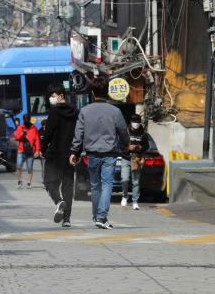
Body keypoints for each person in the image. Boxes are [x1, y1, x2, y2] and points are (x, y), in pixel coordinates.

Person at [70, 76, 129, 229]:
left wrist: (74, 152)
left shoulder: (84, 111)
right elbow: (123, 132)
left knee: (95, 186)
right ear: (108, 92)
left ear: (93, 93)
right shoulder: (115, 111)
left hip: (92, 154)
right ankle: (102, 217)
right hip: (109, 153)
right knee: (107, 183)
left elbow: (79, 134)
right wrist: (125, 146)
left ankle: (97, 216)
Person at [42, 84, 78, 227]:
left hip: (55, 154)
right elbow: (78, 133)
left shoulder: (54, 112)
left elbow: (48, 133)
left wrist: (43, 148)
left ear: (61, 95)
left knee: (49, 182)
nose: (51, 98)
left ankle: (58, 202)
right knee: (68, 186)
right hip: (70, 155)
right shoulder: (75, 111)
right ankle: (67, 219)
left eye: (53, 95)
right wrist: (76, 152)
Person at [120, 114, 149, 210]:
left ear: (140, 123)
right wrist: (128, 147)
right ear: (131, 122)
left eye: (137, 122)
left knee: (136, 181)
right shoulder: (125, 132)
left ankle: (135, 201)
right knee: (124, 178)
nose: (136, 124)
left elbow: (146, 146)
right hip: (126, 158)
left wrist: (140, 148)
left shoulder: (143, 134)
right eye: (134, 121)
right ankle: (124, 196)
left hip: (136, 159)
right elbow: (119, 145)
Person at [14, 113, 41, 189]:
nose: (26, 120)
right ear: (23, 120)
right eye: (25, 119)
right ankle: (19, 181)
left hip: (30, 151)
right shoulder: (20, 127)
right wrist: (22, 134)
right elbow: (16, 137)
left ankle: (29, 182)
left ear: (29, 119)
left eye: (27, 119)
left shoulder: (34, 128)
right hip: (21, 150)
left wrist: (37, 150)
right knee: (18, 166)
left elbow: (37, 140)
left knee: (29, 167)